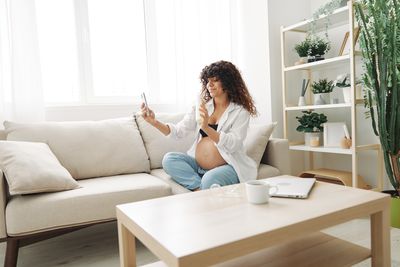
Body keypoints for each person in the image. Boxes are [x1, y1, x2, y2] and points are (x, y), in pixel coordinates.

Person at [140, 60, 258, 190]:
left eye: (215, 80)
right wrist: (154, 122)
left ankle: (205, 185)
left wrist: (206, 127)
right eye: (208, 81)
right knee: (169, 159)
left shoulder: (240, 111)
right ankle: (200, 189)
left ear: (228, 82)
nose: (210, 85)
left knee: (210, 178)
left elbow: (233, 144)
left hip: (228, 166)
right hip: (198, 165)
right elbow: (178, 131)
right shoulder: (202, 106)